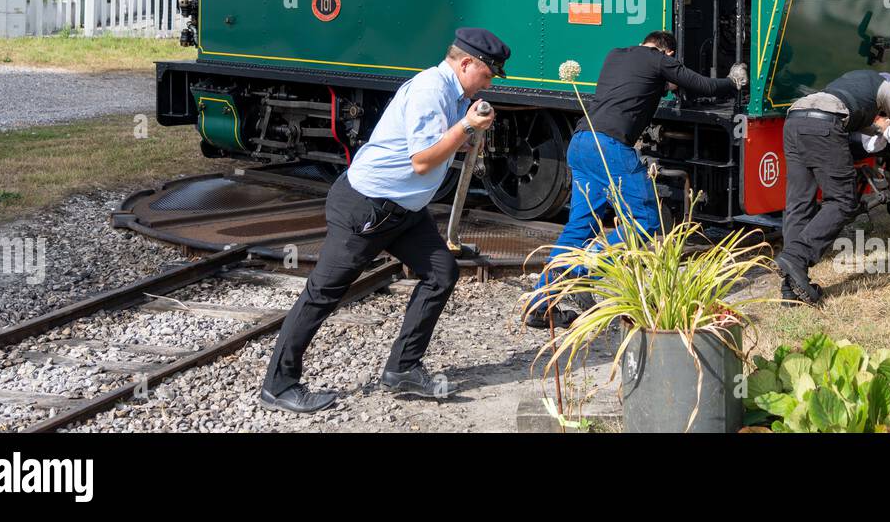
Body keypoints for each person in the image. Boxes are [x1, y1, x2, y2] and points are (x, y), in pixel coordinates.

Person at [259, 28, 509, 413]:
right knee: (323, 293)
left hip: (402, 211)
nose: (489, 83)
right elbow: (423, 160)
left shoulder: (457, 94)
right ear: (466, 64)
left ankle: (403, 368)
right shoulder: (431, 91)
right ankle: (278, 384)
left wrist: (469, 123)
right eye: (488, 74)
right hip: (367, 207)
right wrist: (467, 127)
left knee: (442, 273)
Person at [526, 30, 748, 327]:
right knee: (645, 222)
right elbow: (702, 84)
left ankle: (540, 305)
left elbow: (636, 85)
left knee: (578, 228)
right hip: (611, 147)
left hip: (581, 143)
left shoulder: (615, 55)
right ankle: (585, 271)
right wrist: (733, 83)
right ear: (668, 52)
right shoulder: (659, 60)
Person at [775, 69, 890, 304]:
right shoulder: (887, 87)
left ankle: (791, 288)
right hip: (824, 124)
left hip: (794, 120)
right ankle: (796, 256)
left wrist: (878, 128)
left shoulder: (849, 82)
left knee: (799, 203)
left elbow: (855, 117)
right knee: (842, 201)